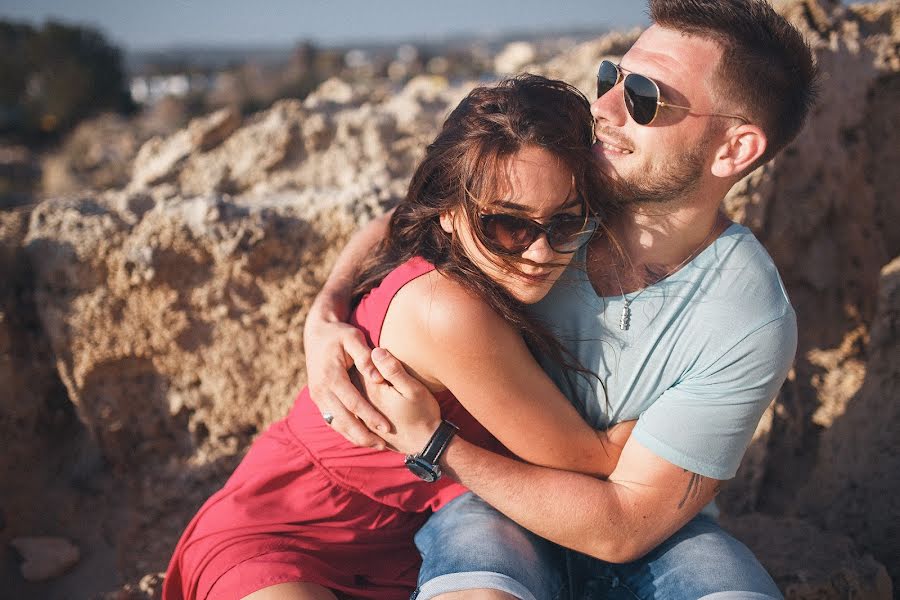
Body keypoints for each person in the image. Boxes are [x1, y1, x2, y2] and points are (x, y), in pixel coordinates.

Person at [303, 1, 819, 598]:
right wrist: (324, 314)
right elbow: (416, 215)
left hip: (658, 538)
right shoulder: (564, 190)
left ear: (734, 150)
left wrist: (437, 445)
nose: (602, 109)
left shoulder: (748, 318)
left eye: (645, 97)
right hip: (493, 503)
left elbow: (625, 528)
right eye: (611, 79)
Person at [162, 75, 635, 600]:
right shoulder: (448, 310)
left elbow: (388, 221)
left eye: (568, 222)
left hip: (413, 531)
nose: (541, 252)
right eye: (508, 226)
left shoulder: (451, 242)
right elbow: (591, 457)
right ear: (451, 213)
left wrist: (325, 306)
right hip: (292, 527)